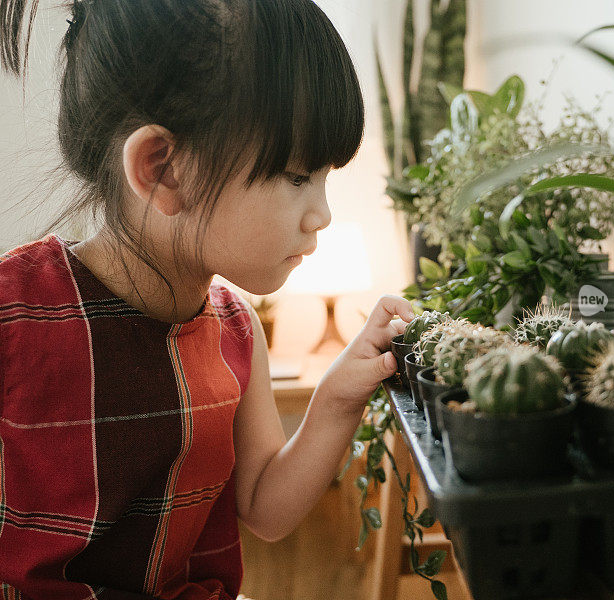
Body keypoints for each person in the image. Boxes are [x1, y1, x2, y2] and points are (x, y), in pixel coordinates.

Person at [0, 1, 414, 598]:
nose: (321, 213)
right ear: (164, 169)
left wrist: (338, 397)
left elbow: (265, 507)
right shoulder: (16, 315)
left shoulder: (236, 330)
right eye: (298, 176)